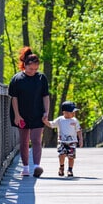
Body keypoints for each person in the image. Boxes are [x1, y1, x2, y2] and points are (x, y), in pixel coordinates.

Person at [9, 47, 50, 178]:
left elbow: (45, 96)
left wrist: (46, 112)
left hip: (38, 113)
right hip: (22, 114)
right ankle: (25, 167)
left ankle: (37, 166)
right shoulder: (17, 79)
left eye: (36, 69)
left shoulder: (41, 78)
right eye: (31, 69)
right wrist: (17, 115)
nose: (33, 71)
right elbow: (14, 98)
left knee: (37, 140)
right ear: (25, 65)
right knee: (24, 141)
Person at [44, 101, 83, 177]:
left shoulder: (75, 120)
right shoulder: (60, 120)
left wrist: (80, 139)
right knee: (61, 154)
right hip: (62, 141)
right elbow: (52, 124)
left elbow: (79, 130)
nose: (74, 113)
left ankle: (70, 170)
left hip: (72, 142)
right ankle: (61, 167)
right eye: (72, 112)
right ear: (65, 112)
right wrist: (45, 122)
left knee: (71, 157)